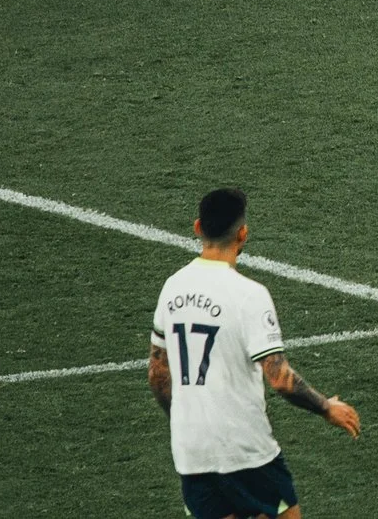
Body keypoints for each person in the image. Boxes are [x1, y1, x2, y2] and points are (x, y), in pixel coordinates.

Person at [151, 188, 361, 519]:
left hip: (192, 451)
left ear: (197, 228)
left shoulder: (172, 288)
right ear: (243, 234)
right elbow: (280, 379)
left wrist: (186, 421)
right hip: (245, 451)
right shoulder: (249, 295)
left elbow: (158, 375)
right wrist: (326, 407)